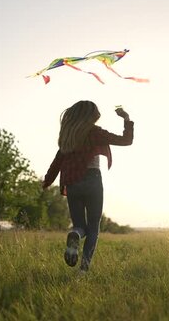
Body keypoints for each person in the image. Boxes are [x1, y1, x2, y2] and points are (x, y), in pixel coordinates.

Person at [42, 100, 134, 273]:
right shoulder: (94, 132)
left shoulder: (68, 136)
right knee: (93, 226)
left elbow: (57, 162)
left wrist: (47, 181)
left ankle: (75, 235)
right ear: (90, 115)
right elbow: (126, 140)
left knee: (79, 226)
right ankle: (83, 270)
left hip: (72, 184)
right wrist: (126, 118)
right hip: (92, 181)